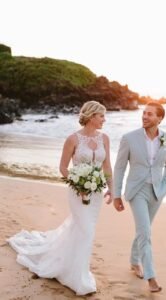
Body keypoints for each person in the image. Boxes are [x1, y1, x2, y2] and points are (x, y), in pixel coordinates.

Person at [7, 100, 113, 296]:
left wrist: (112, 189)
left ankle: (71, 264)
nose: (104, 120)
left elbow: (107, 167)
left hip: (96, 193)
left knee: (81, 229)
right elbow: (63, 168)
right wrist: (79, 184)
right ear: (91, 117)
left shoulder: (104, 139)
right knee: (86, 231)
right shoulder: (73, 139)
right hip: (77, 192)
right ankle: (79, 277)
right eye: (101, 116)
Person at [113, 102, 166, 293]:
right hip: (136, 190)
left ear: (159, 118)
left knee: (144, 230)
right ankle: (151, 277)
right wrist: (117, 194)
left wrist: (165, 186)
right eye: (144, 113)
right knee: (146, 233)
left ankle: (134, 260)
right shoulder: (129, 138)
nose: (145, 117)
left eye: (150, 114)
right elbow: (120, 167)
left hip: (157, 192)